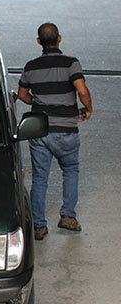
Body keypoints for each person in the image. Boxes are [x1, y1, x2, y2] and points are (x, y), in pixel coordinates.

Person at [17, 22, 93, 240]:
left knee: (40, 179)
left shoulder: (31, 67)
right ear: (59, 39)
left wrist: (39, 105)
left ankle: (39, 226)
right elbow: (82, 90)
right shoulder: (71, 63)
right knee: (71, 170)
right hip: (66, 130)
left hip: (40, 131)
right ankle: (68, 216)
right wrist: (88, 109)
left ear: (39, 41)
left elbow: (22, 95)